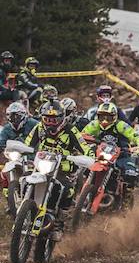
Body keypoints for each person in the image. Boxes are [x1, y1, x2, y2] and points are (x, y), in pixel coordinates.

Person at [23, 101, 92, 239]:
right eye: (47, 119)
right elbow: (27, 144)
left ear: (61, 118)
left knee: (68, 190)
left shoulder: (70, 130)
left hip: (63, 170)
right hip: (41, 166)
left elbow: (85, 148)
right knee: (24, 179)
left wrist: (90, 158)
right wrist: (22, 152)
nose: (50, 123)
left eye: (53, 120)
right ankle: (22, 212)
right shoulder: (38, 128)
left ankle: (59, 223)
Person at [81, 102, 139, 195]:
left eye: (108, 118)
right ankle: (81, 192)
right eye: (102, 117)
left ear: (114, 117)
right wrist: (86, 139)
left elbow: (134, 135)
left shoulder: (121, 125)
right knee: (84, 166)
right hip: (100, 154)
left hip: (121, 154)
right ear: (98, 116)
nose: (105, 121)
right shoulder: (94, 124)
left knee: (130, 174)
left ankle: (126, 195)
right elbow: (82, 135)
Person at [1, 101, 38, 215]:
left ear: (23, 115)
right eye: (11, 116)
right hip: (14, 158)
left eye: (16, 115)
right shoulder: (7, 128)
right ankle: (11, 203)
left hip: (33, 158)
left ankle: (37, 202)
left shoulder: (34, 124)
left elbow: (42, 135)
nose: (14, 118)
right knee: (4, 176)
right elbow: (1, 141)